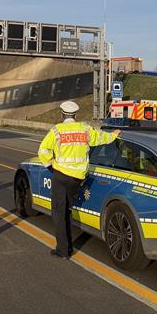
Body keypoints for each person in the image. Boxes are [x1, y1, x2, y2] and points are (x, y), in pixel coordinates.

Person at [38, 100, 119, 260]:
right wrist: (115, 134)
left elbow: (43, 150)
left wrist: (50, 166)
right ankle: (67, 246)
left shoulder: (57, 130)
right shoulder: (85, 129)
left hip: (61, 176)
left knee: (59, 213)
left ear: (62, 114)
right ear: (75, 115)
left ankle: (63, 250)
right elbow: (101, 138)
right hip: (77, 178)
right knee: (67, 210)